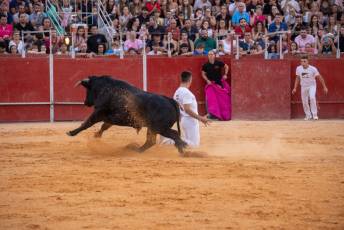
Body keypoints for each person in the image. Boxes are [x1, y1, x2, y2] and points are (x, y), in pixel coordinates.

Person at [160, 71, 209, 148]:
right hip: (190, 120)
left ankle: (171, 139)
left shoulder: (177, 92)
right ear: (190, 80)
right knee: (194, 145)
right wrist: (201, 118)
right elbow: (187, 109)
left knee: (188, 143)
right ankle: (169, 140)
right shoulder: (186, 93)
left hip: (184, 120)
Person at [292, 55, 328, 120]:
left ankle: (314, 115)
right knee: (304, 101)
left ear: (308, 62)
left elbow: (320, 77)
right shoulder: (298, 68)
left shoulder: (313, 69)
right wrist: (295, 88)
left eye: (304, 61)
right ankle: (308, 115)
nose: (302, 63)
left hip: (312, 86)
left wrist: (324, 87)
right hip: (303, 86)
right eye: (301, 61)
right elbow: (297, 78)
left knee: (312, 97)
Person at [201, 50, 231, 120]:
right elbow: (203, 74)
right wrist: (207, 80)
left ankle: (221, 114)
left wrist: (225, 74)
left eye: (211, 54)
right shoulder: (205, 65)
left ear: (214, 55)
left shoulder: (218, 63)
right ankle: (211, 114)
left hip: (219, 83)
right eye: (209, 55)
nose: (210, 56)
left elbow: (226, 66)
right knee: (209, 99)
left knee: (222, 99)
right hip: (211, 84)